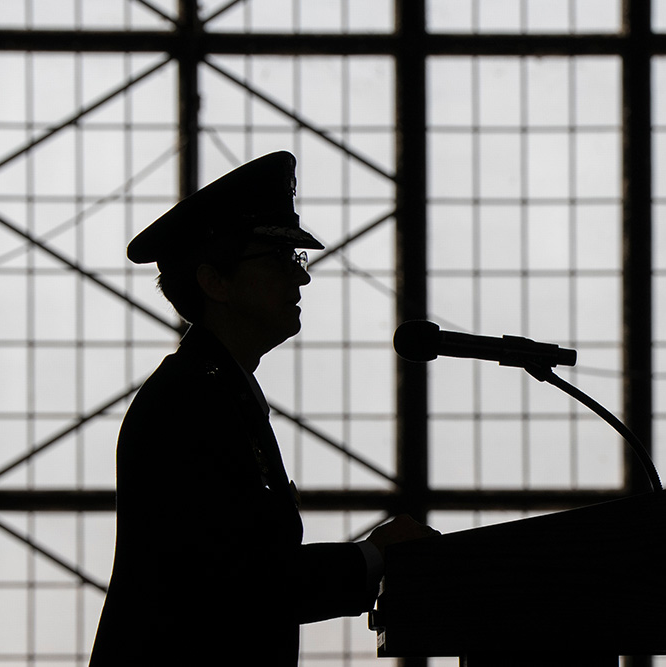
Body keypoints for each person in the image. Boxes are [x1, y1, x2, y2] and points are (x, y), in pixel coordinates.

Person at [88, 151, 435, 666]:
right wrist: (371, 556)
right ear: (215, 282)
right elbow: (233, 584)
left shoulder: (214, 394)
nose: (302, 280)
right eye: (279, 261)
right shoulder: (190, 405)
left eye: (297, 261)